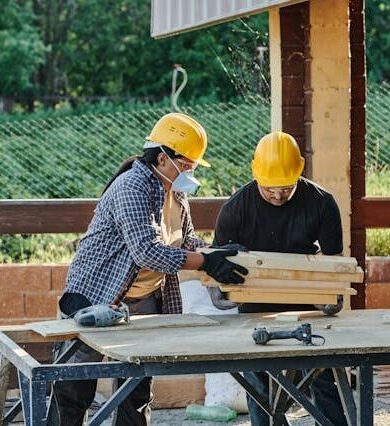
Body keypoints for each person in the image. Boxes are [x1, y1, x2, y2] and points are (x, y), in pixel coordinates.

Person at [47, 112, 247, 426]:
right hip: (95, 293)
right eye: (187, 163)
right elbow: (147, 251)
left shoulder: (175, 191)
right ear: (163, 157)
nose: (190, 170)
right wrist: (206, 263)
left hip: (145, 297)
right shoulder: (132, 186)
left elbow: (186, 240)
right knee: (74, 384)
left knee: (136, 385)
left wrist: (214, 252)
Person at [213, 131, 347, 426]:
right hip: (254, 303)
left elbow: (335, 263)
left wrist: (331, 294)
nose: (277, 195)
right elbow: (217, 278)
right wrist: (224, 283)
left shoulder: (321, 203)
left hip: (308, 300)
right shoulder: (235, 209)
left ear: (299, 171)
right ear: (255, 173)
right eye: (269, 188)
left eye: (285, 188)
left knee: (322, 375)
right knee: (260, 383)